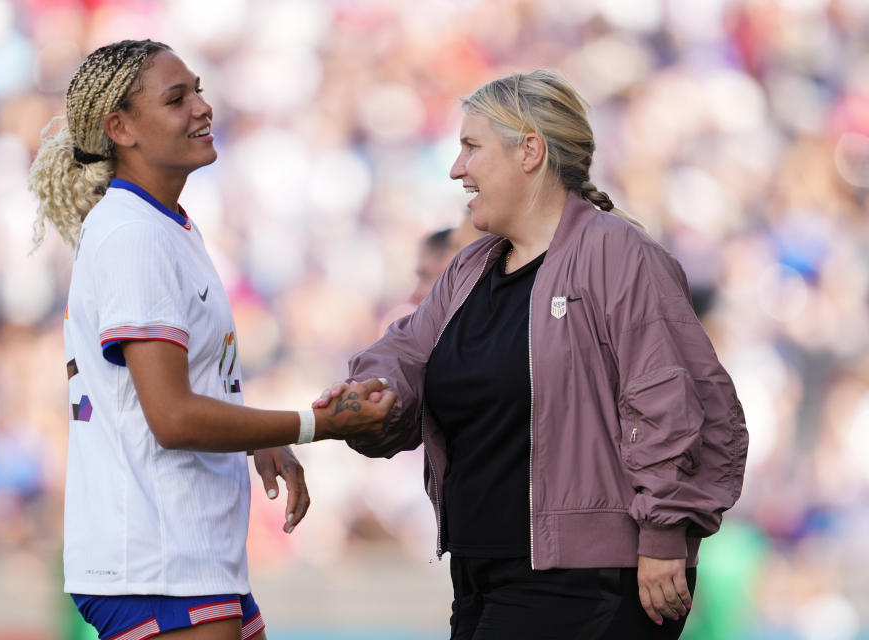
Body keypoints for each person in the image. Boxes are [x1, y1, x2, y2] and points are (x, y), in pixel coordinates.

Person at [314, 69, 748, 639]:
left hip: (586, 579)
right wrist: (370, 392)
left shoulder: (616, 253)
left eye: (471, 147)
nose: (456, 169)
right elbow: (405, 350)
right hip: (481, 572)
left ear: (530, 151)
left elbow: (670, 398)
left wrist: (665, 533)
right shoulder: (472, 268)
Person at [27, 39, 395, 640]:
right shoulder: (133, 236)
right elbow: (170, 417)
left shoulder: (165, 225)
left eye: (198, 89)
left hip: (185, 552)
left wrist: (254, 435)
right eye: (177, 98)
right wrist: (313, 424)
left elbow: (182, 386)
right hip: (157, 558)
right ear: (120, 127)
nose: (203, 107)